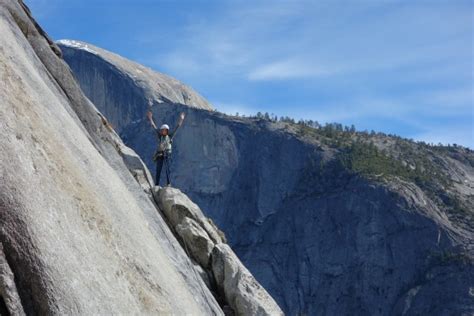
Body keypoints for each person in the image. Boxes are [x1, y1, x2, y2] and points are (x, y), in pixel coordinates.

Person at [146, 104, 185, 187]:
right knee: (158, 169)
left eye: (165, 130)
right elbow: (154, 126)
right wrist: (150, 118)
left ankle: (168, 183)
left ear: (167, 131)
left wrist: (181, 119)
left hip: (167, 154)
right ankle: (156, 184)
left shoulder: (170, 136)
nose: (163, 131)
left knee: (167, 169)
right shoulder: (159, 136)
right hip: (160, 154)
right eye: (162, 130)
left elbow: (177, 128)